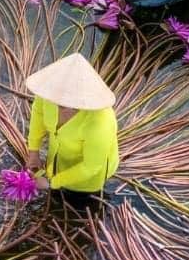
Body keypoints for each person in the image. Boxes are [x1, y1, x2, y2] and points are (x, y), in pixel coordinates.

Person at [22, 53, 119, 194]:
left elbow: (91, 167)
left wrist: (51, 182)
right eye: (60, 103)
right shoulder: (49, 93)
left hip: (86, 178)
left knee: (79, 201)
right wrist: (34, 152)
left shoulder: (100, 122)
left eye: (72, 105)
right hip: (59, 158)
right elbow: (38, 115)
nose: (64, 108)